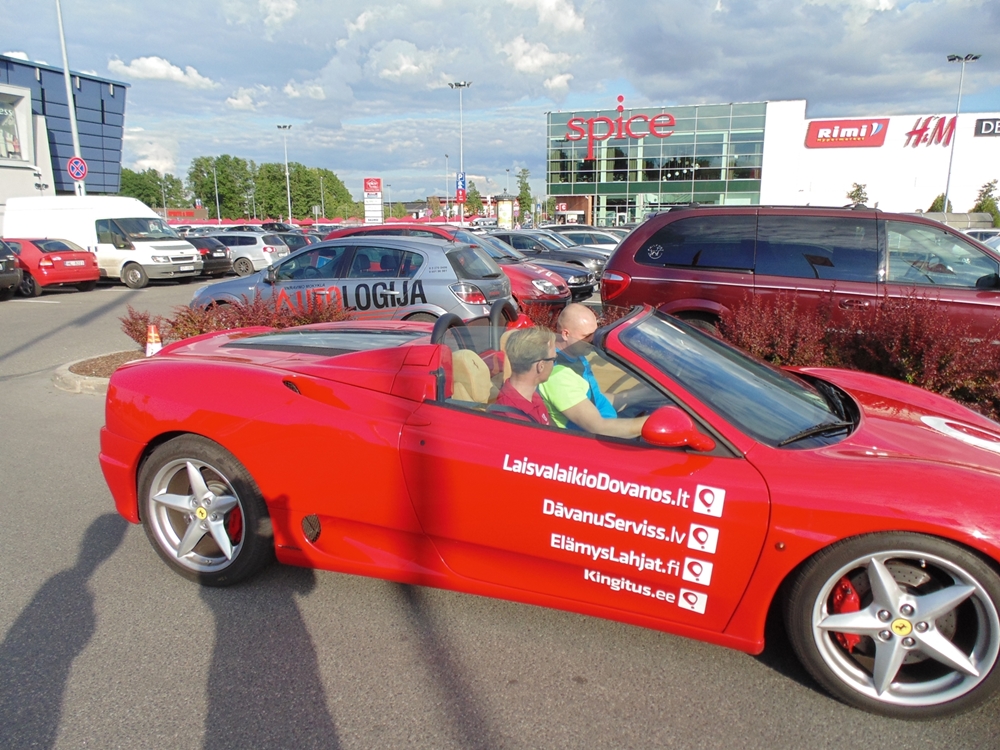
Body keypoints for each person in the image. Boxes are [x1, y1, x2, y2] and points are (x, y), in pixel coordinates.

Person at [539, 303, 649, 438]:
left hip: (608, 428)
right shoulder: (559, 376)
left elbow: (595, 400)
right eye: (587, 336)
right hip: (594, 441)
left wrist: (644, 395)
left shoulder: (576, 355)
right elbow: (599, 427)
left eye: (594, 333)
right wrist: (654, 423)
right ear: (566, 334)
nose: (592, 340)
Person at [492, 327, 557, 425]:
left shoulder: (531, 396)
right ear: (541, 366)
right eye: (554, 360)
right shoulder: (510, 418)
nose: (554, 365)